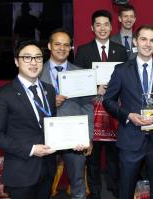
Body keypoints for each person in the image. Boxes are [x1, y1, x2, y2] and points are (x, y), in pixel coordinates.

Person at [103, 25, 153, 199]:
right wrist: (128, 115)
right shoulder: (121, 70)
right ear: (135, 42)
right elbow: (108, 101)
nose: (148, 44)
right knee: (126, 188)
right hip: (130, 138)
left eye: (152, 40)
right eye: (144, 39)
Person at [0, 40, 56, 199]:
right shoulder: (3, 95)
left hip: (47, 169)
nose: (33, 62)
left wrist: (72, 142)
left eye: (38, 57)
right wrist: (31, 149)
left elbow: (51, 125)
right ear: (16, 61)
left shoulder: (49, 89)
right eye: (27, 57)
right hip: (21, 172)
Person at [74, 9, 128, 199]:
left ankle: (115, 188)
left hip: (114, 110)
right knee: (93, 157)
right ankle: (95, 191)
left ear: (112, 27)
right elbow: (77, 81)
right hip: (92, 110)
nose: (102, 28)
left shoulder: (121, 50)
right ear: (92, 27)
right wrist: (95, 87)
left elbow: (127, 80)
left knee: (115, 155)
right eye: (98, 24)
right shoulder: (83, 50)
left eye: (106, 24)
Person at [40, 28, 93, 199]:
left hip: (75, 138)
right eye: (57, 44)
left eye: (66, 45)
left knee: (78, 183)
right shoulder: (36, 72)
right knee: (43, 182)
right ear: (49, 46)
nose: (62, 48)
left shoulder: (80, 73)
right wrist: (49, 101)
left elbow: (88, 107)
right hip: (44, 138)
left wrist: (88, 138)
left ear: (71, 48)